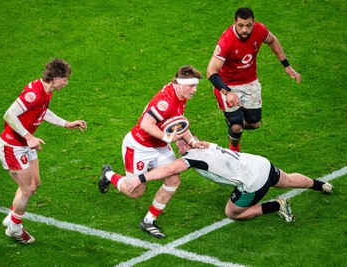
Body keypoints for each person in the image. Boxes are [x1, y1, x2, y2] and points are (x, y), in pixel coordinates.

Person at [98, 65, 208, 238]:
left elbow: (177, 122)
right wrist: (166, 137)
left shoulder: (180, 94)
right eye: (192, 86)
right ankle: (108, 175)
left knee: (173, 180)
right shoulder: (165, 101)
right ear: (180, 84)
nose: (195, 90)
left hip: (159, 146)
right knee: (135, 192)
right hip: (139, 147)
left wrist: (193, 142)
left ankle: (148, 221)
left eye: (196, 86)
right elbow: (145, 124)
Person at [127, 139, 333, 222]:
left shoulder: (190, 157)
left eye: (177, 143)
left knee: (232, 213)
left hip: (253, 183)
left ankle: (276, 205)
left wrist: (141, 177)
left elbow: (168, 169)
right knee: (288, 180)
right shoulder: (206, 145)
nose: (176, 147)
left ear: (183, 145)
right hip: (261, 164)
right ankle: (321, 184)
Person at [0, 58, 87, 244]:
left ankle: (11, 218)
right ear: (54, 78)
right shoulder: (34, 93)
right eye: (64, 79)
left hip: (24, 145)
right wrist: (29, 137)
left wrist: (66, 124)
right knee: (27, 189)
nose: (66, 82)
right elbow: (9, 114)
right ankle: (15, 228)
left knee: (34, 183)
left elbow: (42, 111)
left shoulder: (46, 91)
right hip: (12, 146)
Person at [207, 7, 302, 152]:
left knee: (255, 123)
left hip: (250, 82)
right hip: (228, 85)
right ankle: (234, 150)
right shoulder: (227, 40)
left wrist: (286, 65)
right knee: (237, 125)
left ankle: (233, 122)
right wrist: (228, 92)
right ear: (234, 22)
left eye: (248, 25)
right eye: (240, 26)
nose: (244, 30)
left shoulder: (260, 30)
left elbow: (272, 40)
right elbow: (211, 71)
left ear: (254, 22)